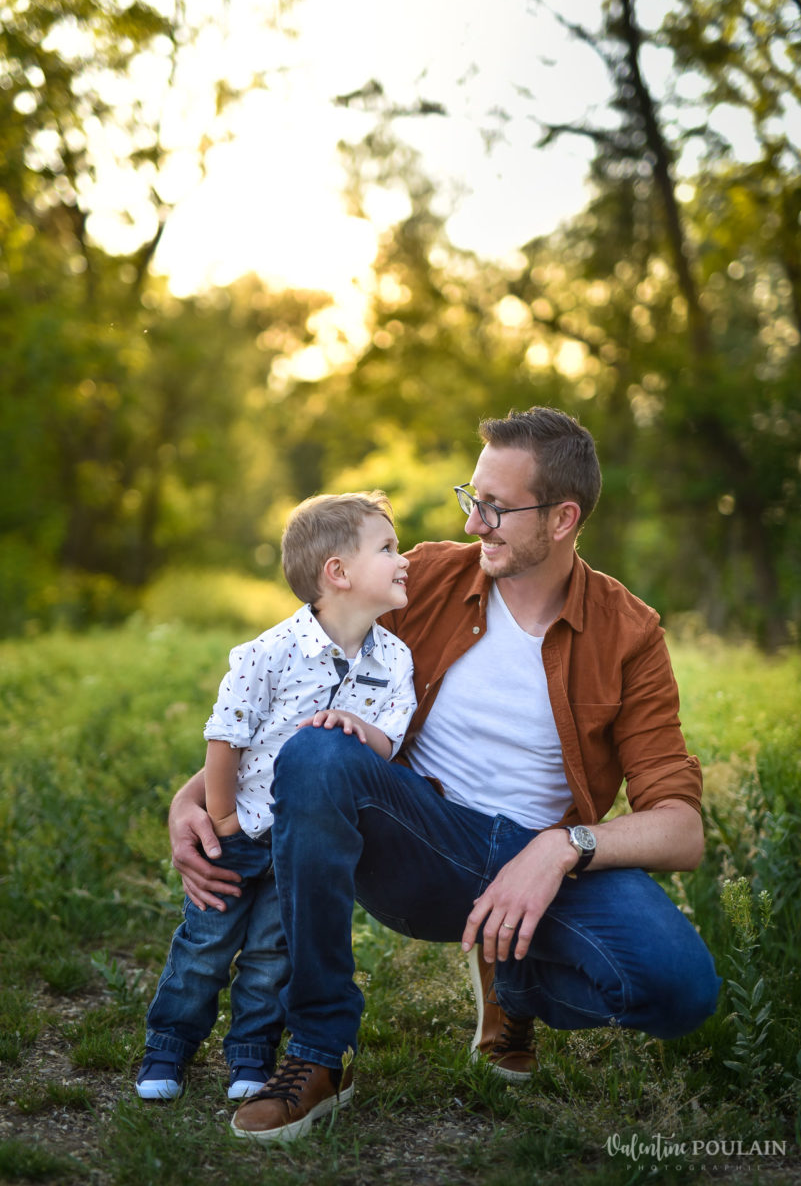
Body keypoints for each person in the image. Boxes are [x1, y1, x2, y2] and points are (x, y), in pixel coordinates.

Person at [169, 406, 721, 1144]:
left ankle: (512, 977)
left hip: (543, 864)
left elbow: (681, 828)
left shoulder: (628, 630)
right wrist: (196, 795)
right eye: (472, 499)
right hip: (415, 839)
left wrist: (560, 850)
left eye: (494, 509)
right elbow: (283, 681)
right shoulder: (423, 576)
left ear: (562, 518)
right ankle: (320, 1050)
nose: (473, 525)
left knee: (680, 989)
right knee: (319, 752)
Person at [135, 491, 415, 1101]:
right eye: (388, 548)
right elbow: (225, 738)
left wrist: (358, 730)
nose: (405, 559)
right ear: (337, 574)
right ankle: (168, 1049)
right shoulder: (268, 653)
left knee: (270, 955)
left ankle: (251, 1060)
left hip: (299, 842)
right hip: (240, 833)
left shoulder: (394, 658)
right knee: (205, 947)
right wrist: (223, 818)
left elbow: (390, 739)